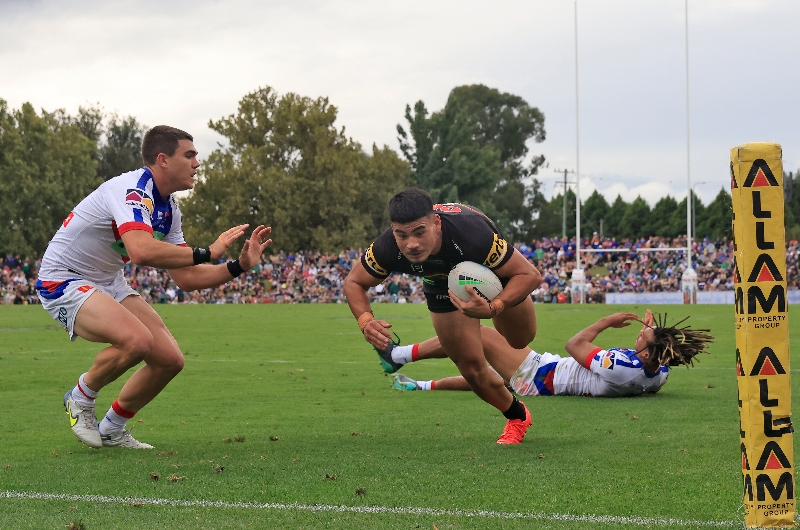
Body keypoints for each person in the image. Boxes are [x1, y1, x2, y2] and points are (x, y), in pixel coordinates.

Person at [36, 125, 273, 449]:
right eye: (189, 155)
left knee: (169, 359)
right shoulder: (132, 189)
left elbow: (187, 278)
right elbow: (141, 251)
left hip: (107, 281)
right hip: (62, 277)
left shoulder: (169, 208)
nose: (196, 163)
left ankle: (112, 428)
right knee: (137, 340)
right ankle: (80, 396)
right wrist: (210, 251)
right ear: (163, 159)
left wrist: (238, 266)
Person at [344, 187, 542, 444]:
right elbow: (354, 282)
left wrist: (495, 306)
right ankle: (517, 416)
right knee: (470, 366)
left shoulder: (471, 235)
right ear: (393, 231)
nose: (411, 244)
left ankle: (481, 324)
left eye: (419, 232)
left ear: (436, 223)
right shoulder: (387, 246)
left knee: (519, 340)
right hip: (442, 285)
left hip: (495, 277)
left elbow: (531, 275)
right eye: (401, 235)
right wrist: (366, 321)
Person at [388, 310, 713, 398]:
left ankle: (399, 355)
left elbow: (575, 345)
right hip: (543, 378)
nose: (641, 332)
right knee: (483, 377)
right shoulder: (659, 373)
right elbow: (642, 359)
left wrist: (606, 321)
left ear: (648, 351)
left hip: (540, 375)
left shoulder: (619, 368)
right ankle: (419, 386)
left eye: (646, 336)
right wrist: (650, 338)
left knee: (476, 334)